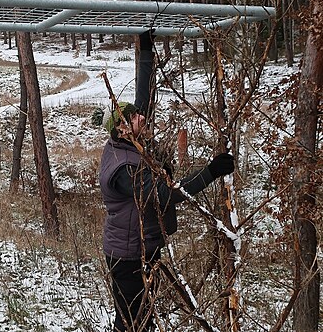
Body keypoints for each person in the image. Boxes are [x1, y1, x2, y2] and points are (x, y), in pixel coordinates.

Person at [98, 31, 235, 331]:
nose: (142, 119)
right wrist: (210, 172)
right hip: (128, 257)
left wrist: (145, 51)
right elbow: (165, 195)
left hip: (142, 250)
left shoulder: (128, 144)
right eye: (134, 118)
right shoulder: (123, 169)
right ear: (122, 128)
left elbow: (143, 100)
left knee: (138, 318)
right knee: (134, 323)